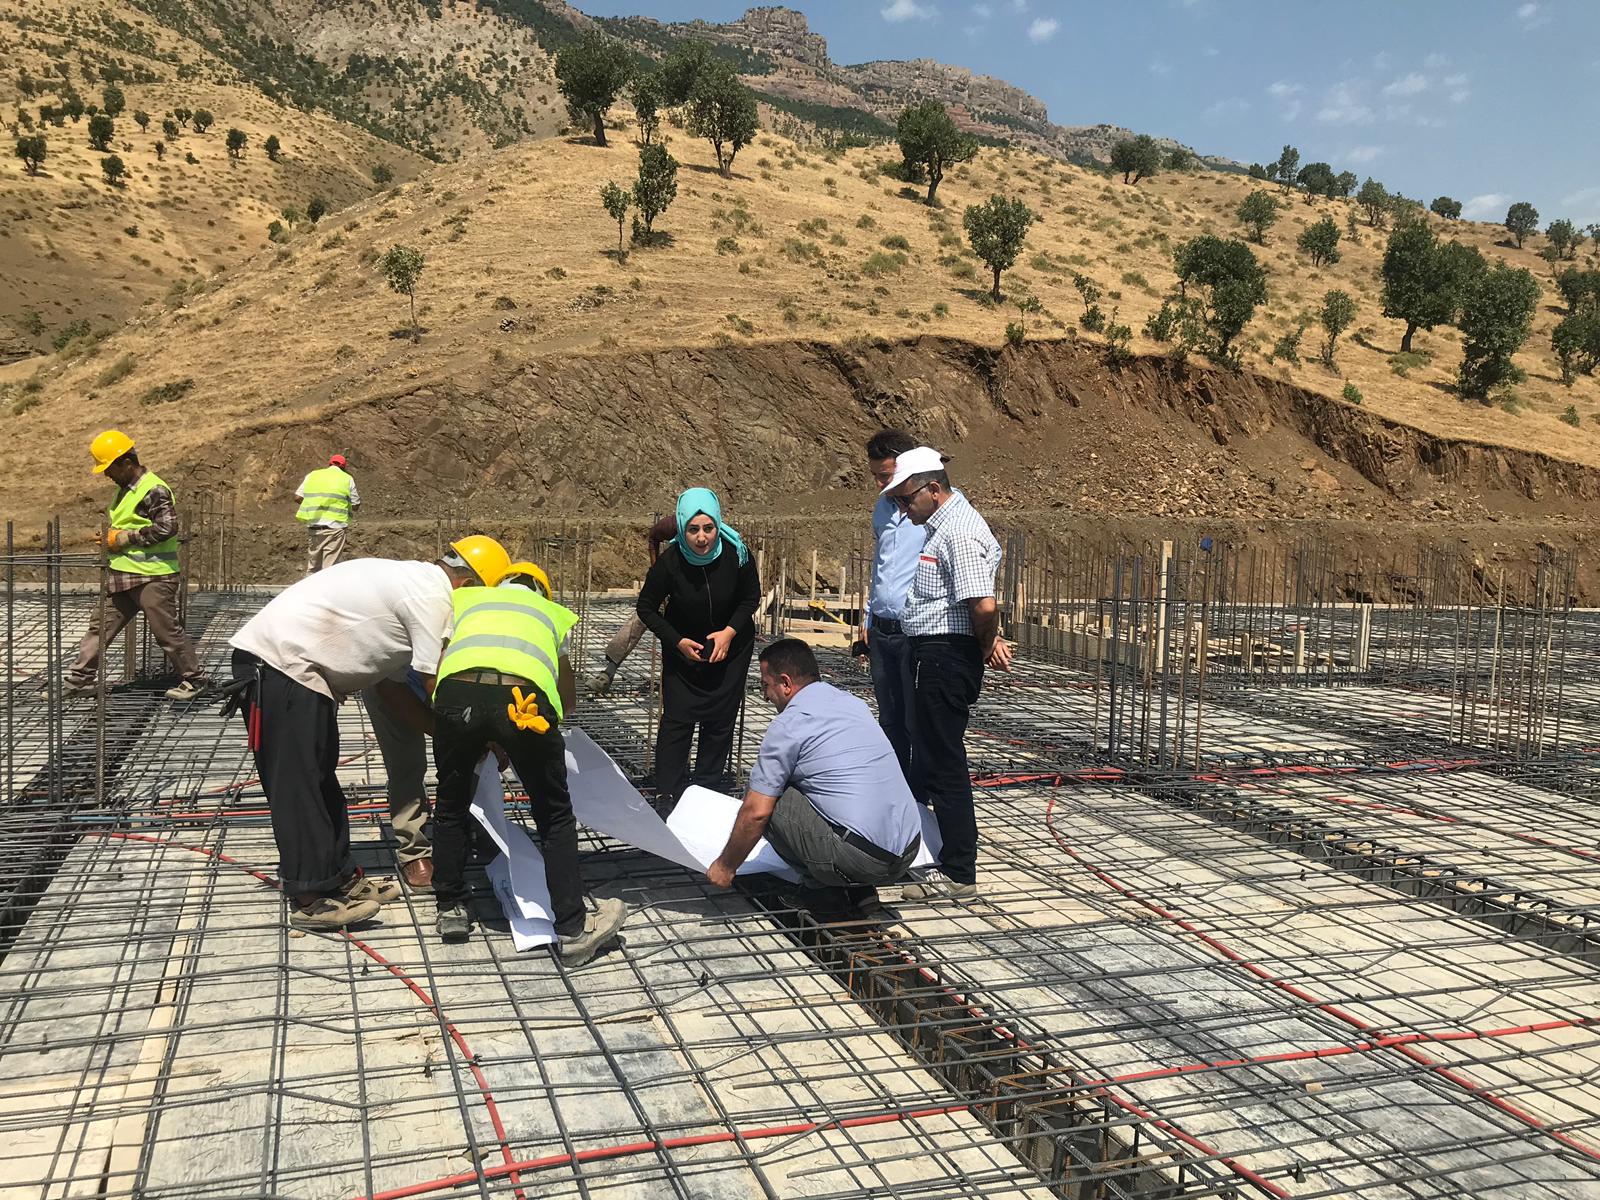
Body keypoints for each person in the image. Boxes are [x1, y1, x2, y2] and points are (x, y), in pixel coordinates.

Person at [225, 535, 512, 931]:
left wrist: (441, 731)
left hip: (300, 673)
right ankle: (310, 898)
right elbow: (437, 684)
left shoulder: (414, 584)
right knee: (299, 787)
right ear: (470, 585)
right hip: (279, 668)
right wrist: (479, 736)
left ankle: (339, 879)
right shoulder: (433, 598)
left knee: (320, 781)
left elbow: (392, 690)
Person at [430, 559, 627, 965]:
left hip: (455, 697)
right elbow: (567, 700)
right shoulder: (548, 615)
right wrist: (511, 735)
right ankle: (573, 928)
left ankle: (450, 906)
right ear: (543, 592)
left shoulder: (469, 601)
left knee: (450, 803)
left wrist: (480, 730)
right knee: (554, 815)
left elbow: (442, 667)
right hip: (523, 704)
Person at [880, 447, 1011, 903]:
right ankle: (948, 860)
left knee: (944, 763)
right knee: (935, 757)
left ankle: (958, 870)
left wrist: (978, 647)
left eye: (906, 498)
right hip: (934, 653)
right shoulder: (942, 528)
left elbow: (984, 605)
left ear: (933, 490)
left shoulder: (958, 532)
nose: (902, 507)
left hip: (944, 656)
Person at [707, 639, 921, 915]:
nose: (764, 696)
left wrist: (726, 866)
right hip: (909, 850)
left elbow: (756, 813)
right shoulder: (852, 703)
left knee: (769, 797)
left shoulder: (789, 725)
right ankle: (860, 891)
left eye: (765, 685)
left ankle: (821, 891)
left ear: (785, 683)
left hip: (864, 861)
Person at [635, 488, 760, 808]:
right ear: (681, 528)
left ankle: (706, 788)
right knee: (677, 719)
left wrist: (728, 634)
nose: (702, 538)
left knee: (720, 720)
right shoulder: (671, 562)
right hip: (684, 650)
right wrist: (675, 641)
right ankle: (669, 791)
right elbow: (646, 608)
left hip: (730, 649)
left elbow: (750, 598)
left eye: (708, 528)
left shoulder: (737, 554)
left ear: (718, 525)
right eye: (693, 530)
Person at [67, 430, 209, 701]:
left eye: (109, 468)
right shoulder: (123, 491)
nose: (107, 474)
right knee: (100, 628)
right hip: (123, 575)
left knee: (166, 631)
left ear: (126, 463)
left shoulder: (153, 489)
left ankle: (195, 680)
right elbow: (132, 525)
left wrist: (122, 538)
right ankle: (78, 681)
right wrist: (111, 538)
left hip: (153, 577)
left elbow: (168, 527)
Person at [858, 428, 924, 779]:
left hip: (916, 632)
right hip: (883, 632)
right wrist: (869, 617)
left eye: (885, 475)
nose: (879, 483)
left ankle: (920, 795)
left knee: (918, 720)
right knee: (890, 718)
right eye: (875, 476)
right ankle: (897, 790)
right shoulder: (882, 509)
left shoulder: (938, 504)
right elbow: (881, 565)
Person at [591, 514, 677, 695]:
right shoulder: (674, 526)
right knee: (639, 620)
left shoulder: (710, 535)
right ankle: (609, 672)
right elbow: (653, 537)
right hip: (671, 589)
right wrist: (657, 575)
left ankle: (676, 680)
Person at [294, 453, 361, 574]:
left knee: (313, 568)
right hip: (335, 527)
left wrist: (314, 504)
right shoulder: (346, 478)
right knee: (329, 570)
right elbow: (356, 504)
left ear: (329, 464)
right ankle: (327, 592)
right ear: (343, 467)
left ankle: (308, 591)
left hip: (314, 527)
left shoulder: (312, 475)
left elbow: (297, 497)